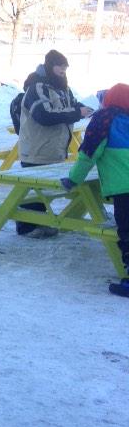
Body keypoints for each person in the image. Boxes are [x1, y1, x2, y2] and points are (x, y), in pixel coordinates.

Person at [16, 49, 93, 236]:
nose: (63, 70)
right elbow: (44, 115)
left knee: (42, 191)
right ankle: (26, 227)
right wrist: (76, 113)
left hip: (54, 149)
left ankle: (39, 222)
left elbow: (72, 105)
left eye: (65, 67)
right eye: (60, 66)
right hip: (36, 148)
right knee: (33, 189)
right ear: (50, 65)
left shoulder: (63, 88)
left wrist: (85, 108)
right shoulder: (37, 87)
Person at [61, 83, 129, 297]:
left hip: (124, 189)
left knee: (127, 234)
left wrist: (73, 180)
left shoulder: (103, 121)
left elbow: (88, 155)